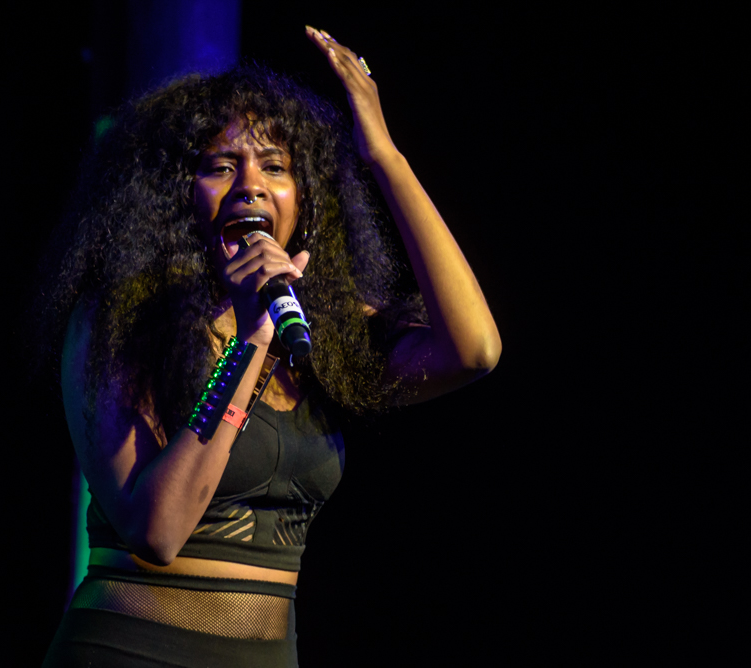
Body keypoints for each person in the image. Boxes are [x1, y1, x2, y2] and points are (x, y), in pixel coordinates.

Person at [40, 26, 501, 668]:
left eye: (276, 167)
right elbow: (158, 531)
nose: (251, 185)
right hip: (129, 652)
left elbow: (473, 350)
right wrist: (249, 341)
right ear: (174, 194)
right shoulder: (122, 319)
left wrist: (384, 155)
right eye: (221, 165)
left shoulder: (319, 331)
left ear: (303, 200)